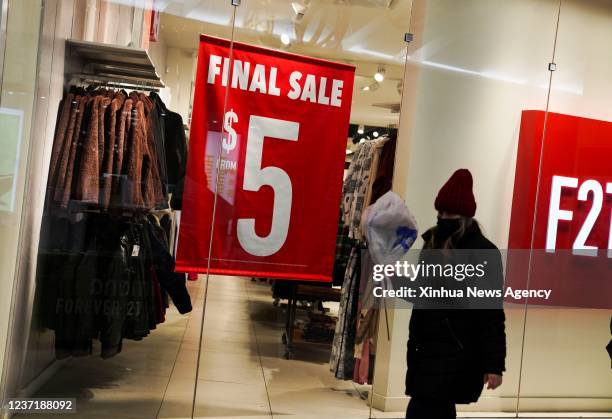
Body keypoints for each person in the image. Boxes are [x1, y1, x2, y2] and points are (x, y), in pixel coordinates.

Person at [405, 169, 506, 419]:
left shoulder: (482, 252)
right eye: (439, 212)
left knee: (425, 409)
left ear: (464, 216)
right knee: (432, 407)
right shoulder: (432, 244)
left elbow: (491, 313)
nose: (441, 218)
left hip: (457, 349)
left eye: (448, 212)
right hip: (425, 347)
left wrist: (494, 364)